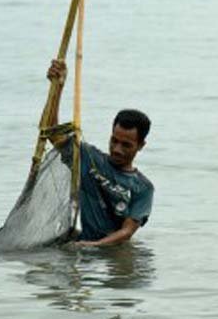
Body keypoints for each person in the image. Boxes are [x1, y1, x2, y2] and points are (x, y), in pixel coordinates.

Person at [46, 59, 154, 247]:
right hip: (82, 243)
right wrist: (58, 87)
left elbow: (127, 231)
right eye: (114, 141)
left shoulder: (142, 188)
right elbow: (51, 131)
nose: (117, 149)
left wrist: (94, 246)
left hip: (110, 252)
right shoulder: (88, 158)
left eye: (126, 145)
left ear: (141, 145)